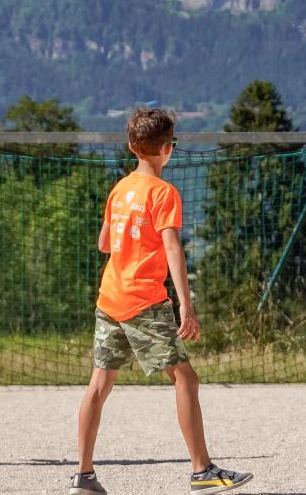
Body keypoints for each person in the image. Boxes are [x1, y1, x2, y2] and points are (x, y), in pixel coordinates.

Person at [71, 107, 251, 495]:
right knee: (185, 378)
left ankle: (83, 476)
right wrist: (186, 303)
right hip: (143, 300)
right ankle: (202, 471)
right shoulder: (164, 193)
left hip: (109, 298)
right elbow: (172, 248)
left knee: (99, 384)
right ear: (167, 148)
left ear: (132, 146)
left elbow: (105, 242)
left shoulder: (120, 188)